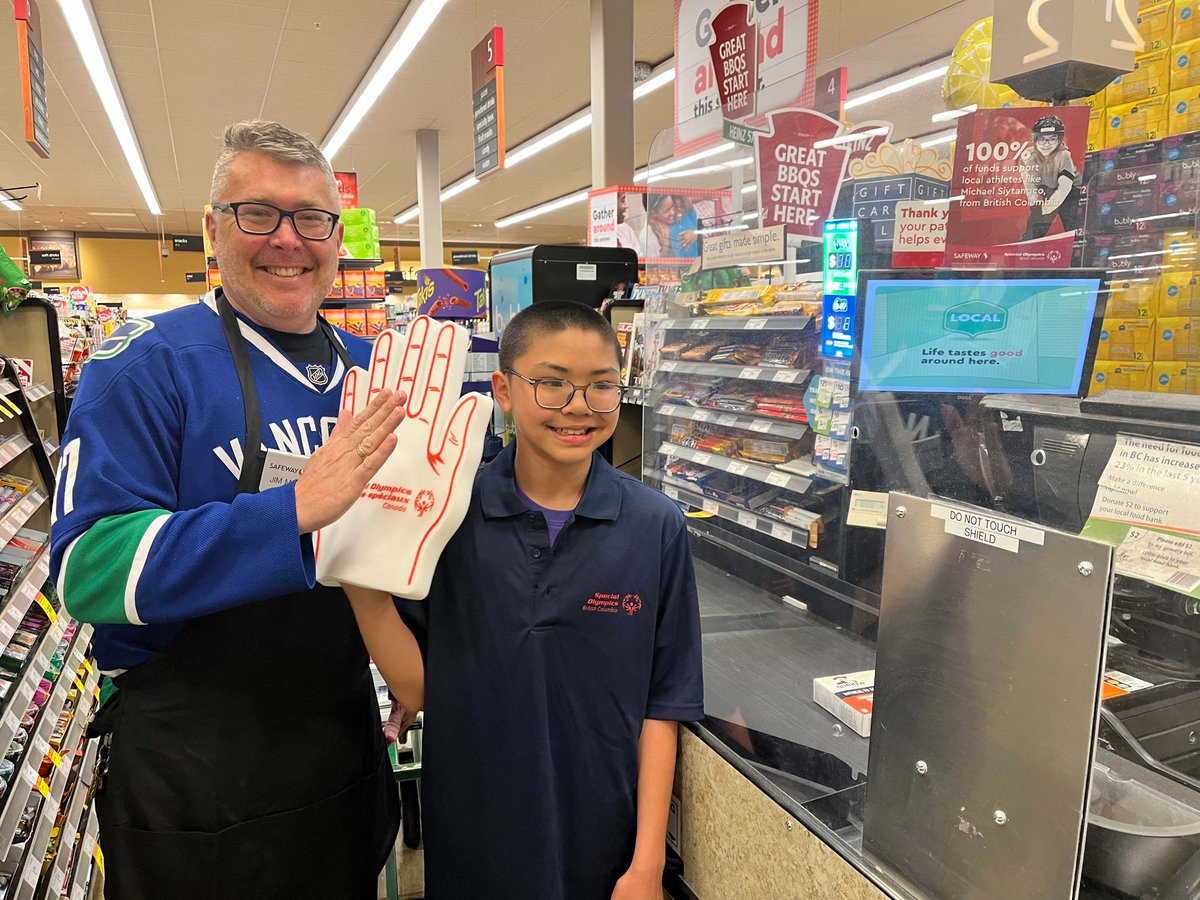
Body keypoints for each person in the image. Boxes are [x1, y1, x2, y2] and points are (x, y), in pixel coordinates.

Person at [49, 120, 411, 899]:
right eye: (258, 214)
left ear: (336, 235)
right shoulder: (144, 365)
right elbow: (88, 572)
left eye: (311, 218)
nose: (289, 239)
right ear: (215, 229)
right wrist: (291, 512)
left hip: (340, 746)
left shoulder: (376, 373)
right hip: (192, 774)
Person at [349, 300, 705, 899]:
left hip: (604, 842)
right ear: (503, 391)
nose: (577, 407)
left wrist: (646, 864)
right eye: (551, 384)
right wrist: (356, 576)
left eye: (601, 387)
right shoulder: (448, 516)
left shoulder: (655, 526)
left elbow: (662, 707)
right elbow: (418, 690)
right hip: (474, 833)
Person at [1020, 114, 1082, 241]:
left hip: (1072, 192)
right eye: (1042, 139)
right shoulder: (1027, 157)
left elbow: (1065, 187)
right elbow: (1029, 184)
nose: (1046, 144)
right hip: (1048, 189)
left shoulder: (1064, 155)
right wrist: (1035, 204)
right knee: (1034, 229)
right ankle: (1025, 250)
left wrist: (1046, 208)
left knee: (1073, 227)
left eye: (1052, 139)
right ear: (1035, 139)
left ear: (1059, 140)